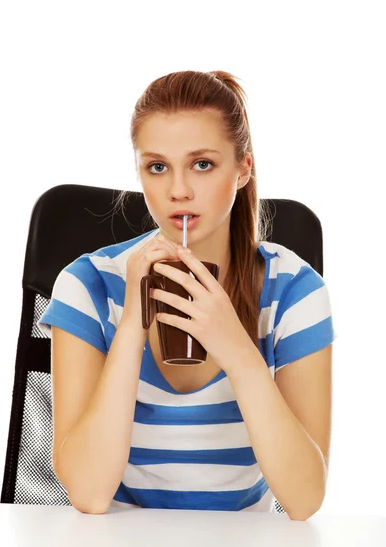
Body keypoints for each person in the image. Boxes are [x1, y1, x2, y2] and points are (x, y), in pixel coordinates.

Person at [38, 70, 337, 518]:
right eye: (157, 167)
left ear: (242, 169)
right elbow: (89, 493)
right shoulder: (88, 285)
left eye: (202, 164)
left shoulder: (295, 290)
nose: (178, 191)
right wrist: (131, 328)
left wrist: (237, 348)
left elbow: (304, 499)